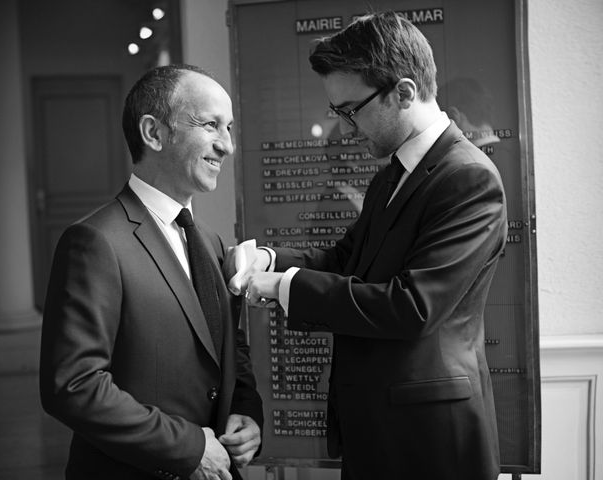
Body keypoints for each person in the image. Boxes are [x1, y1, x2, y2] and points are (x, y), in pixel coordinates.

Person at [226, 11, 506, 480]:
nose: (344, 126)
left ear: (404, 92)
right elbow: (345, 260)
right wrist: (269, 259)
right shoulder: (392, 175)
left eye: (351, 109)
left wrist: (281, 286)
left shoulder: (470, 177)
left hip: (430, 440)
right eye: (337, 112)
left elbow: (413, 306)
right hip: (377, 428)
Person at [40, 64, 263, 480]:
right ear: (154, 133)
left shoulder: (211, 243)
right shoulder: (94, 241)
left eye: (229, 128)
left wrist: (247, 416)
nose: (227, 146)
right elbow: (73, 386)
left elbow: (230, 355)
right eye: (211, 125)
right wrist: (190, 447)